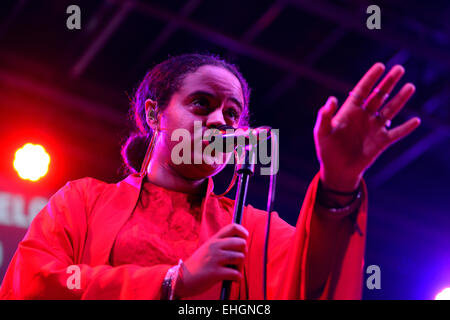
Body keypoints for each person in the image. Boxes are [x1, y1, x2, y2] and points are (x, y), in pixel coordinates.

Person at [0, 53, 420, 300]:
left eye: (233, 114)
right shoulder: (82, 201)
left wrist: (339, 181)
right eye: (202, 104)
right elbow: (33, 285)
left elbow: (312, 286)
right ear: (153, 114)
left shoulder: (254, 228)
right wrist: (172, 280)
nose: (221, 122)